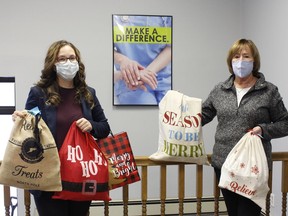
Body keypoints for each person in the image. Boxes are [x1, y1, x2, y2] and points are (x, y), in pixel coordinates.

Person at [12, 40, 110, 216]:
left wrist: (91, 126)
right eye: (62, 59)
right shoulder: (39, 93)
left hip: (80, 175)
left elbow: (104, 127)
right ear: (53, 64)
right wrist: (20, 119)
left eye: (72, 58)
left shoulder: (88, 93)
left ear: (78, 62)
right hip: (48, 175)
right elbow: (29, 125)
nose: (68, 63)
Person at [201, 38, 288, 215]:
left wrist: (263, 130)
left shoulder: (268, 91)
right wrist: (180, 108)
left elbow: (285, 123)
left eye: (246, 56)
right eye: (236, 56)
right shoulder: (220, 89)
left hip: (253, 167)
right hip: (224, 165)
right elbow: (202, 116)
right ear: (230, 61)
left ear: (254, 61)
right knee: (234, 212)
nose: (241, 61)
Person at [113, 15, 172, 105]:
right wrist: (123, 61)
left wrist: (144, 73)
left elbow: (171, 47)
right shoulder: (114, 16)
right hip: (130, 83)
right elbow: (104, 48)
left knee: (169, 114)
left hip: (164, 79)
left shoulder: (164, 12)